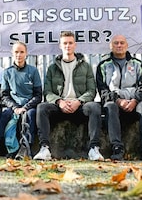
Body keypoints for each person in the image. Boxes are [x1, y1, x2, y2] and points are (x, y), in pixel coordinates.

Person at [34, 31, 103, 161]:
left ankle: (94, 149)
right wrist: (59, 102)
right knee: (41, 107)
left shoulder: (85, 66)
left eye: (70, 43)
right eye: (65, 43)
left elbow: (91, 91)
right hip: (60, 107)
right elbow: (47, 92)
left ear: (75, 45)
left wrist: (79, 101)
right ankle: (44, 148)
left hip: (80, 107)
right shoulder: (52, 68)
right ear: (60, 45)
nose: (67, 46)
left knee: (94, 107)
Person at [96, 34, 142, 161]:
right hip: (115, 102)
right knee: (109, 106)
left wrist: (135, 100)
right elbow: (102, 90)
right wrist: (118, 100)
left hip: (134, 102)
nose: (119, 45)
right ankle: (117, 148)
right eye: (116, 43)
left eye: (122, 43)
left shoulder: (137, 63)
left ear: (127, 45)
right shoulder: (103, 65)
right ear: (111, 46)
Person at [0, 41, 42, 159]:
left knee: (31, 115)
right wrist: (15, 107)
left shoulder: (33, 71)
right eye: (16, 52)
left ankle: (24, 148)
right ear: (12, 53)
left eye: (22, 52)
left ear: (26, 54)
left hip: (29, 106)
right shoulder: (7, 72)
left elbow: (38, 95)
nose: (19, 55)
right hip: (13, 107)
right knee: (5, 115)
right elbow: (4, 95)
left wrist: (25, 107)